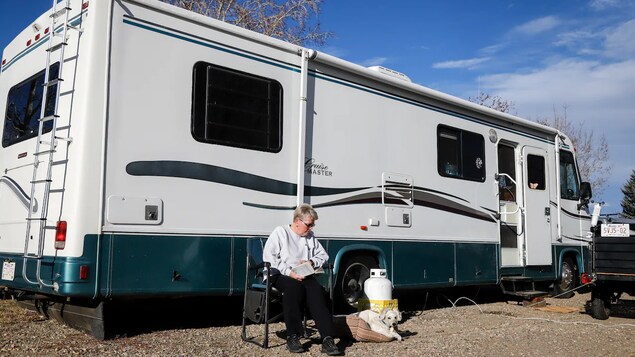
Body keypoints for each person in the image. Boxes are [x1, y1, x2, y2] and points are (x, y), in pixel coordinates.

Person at [263, 204, 343, 356]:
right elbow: (270, 259)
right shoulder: (280, 232)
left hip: (303, 273)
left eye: (313, 224)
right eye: (309, 224)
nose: (311, 228)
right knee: (294, 287)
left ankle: (327, 338)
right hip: (280, 274)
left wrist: (311, 262)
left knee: (316, 290)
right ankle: (293, 336)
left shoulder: (310, 237)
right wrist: (289, 272)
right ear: (297, 221)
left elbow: (323, 255)